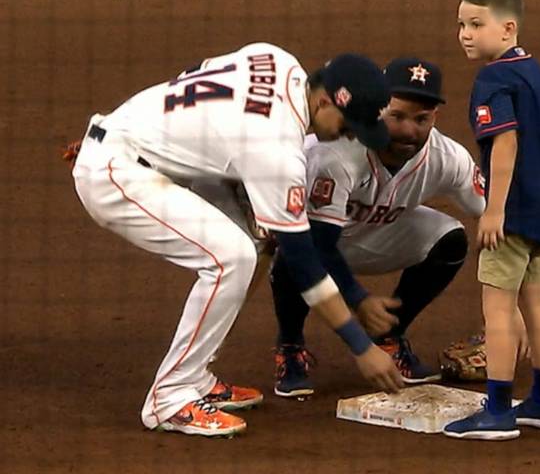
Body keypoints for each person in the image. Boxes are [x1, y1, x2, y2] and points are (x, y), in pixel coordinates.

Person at [67, 43, 404, 438]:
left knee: (256, 241)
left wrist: (134, 130)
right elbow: (304, 262)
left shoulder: (275, 58)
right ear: (327, 100)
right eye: (349, 125)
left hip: (130, 140)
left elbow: (193, 76)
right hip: (118, 173)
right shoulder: (277, 149)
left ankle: (195, 378)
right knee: (232, 258)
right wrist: (360, 346)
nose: (349, 137)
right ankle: (170, 398)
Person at [269, 57, 487, 398]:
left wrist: (507, 313)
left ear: (436, 118)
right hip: (321, 243)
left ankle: (388, 339)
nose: (409, 130)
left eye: (421, 119)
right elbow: (319, 245)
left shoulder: (448, 158)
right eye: (397, 116)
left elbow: (495, 215)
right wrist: (359, 300)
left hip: (377, 237)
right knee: (293, 248)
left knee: (451, 237)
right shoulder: (336, 154)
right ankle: (290, 346)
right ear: (376, 109)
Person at [443, 0, 540, 440]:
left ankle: (497, 410)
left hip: (515, 210)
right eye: (461, 24)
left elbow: (505, 140)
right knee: (536, 300)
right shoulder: (538, 73)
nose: (465, 33)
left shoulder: (493, 79)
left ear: (508, 27)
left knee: (497, 308)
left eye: (476, 24)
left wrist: (494, 210)